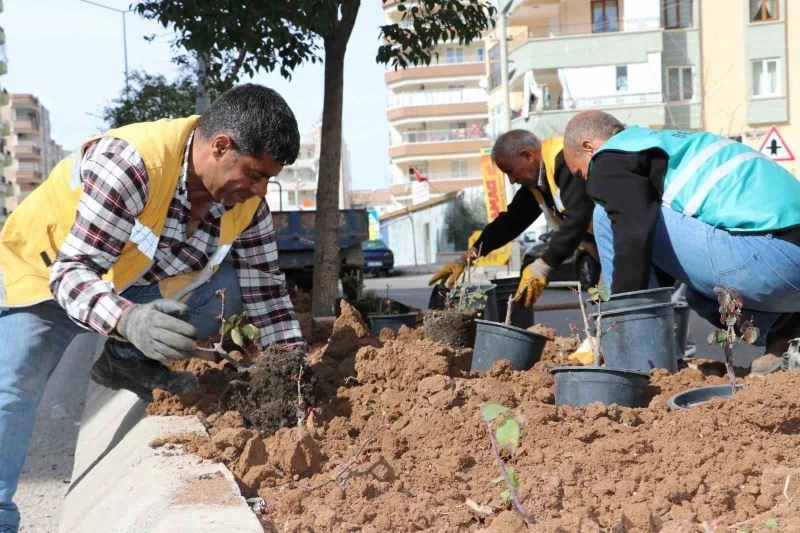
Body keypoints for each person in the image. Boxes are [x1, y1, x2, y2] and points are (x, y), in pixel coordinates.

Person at [0, 84, 307, 531]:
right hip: (46, 274)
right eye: (255, 174)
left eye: (268, 180)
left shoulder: (247, 205)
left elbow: (266, 288)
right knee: (13, 387)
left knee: (229, 289)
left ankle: (124, 364)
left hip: (126, 281)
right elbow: (73, 273)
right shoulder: (131, 164)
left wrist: (291, 369)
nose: (260, 190)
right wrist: (127, 319)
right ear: (221, 146)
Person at [562, 110, 800, 375]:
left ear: (589, 146)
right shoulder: (669, 144)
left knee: (604, 215)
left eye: (580, 172)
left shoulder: (613, 155)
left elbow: (634, 230)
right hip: (786, 260)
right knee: (699, 296)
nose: (586, 180)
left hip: (773, 257)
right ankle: (788, 335)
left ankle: (640, 364)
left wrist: (621, 318)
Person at [429, 129, 596, 307]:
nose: (511, 180)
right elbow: (510, 222)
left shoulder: (563, 159)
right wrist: (469, 256)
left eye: (510, 171)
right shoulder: (537, 182)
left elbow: (578, 217)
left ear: (527, 156)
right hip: (598, 247)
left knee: (617, 305)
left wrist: (544, 264)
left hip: (618, 238)